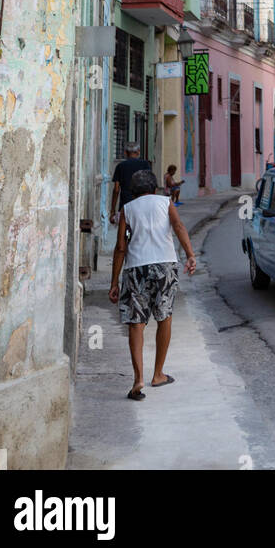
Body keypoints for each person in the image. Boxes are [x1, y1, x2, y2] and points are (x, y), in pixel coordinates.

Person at [109, 168, 196, 400]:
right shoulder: (166, 202)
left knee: (136, 324)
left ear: (133, 191)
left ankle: (138, 379)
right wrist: (190, 254)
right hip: (165, 264)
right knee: (164, 317)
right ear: (155, 188)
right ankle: (158, 374)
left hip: (136, 266)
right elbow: (178, 227)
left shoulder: (128, 209)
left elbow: (120, 247)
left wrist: (114, 282)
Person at [110, 141, 152, 224]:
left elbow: (116, 190)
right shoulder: (145, 164)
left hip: (125, 205)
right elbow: (151, 185)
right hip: (142, 204)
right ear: (138, 152)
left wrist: (112, 211)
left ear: (125, 153)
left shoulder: (120, 166)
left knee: (123, 229)